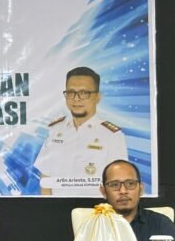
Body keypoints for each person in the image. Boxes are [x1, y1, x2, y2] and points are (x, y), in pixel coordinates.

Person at [36, 66, 128, 195]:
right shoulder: (55, 130)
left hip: (94, 207)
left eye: (84, 93)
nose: (76, 98)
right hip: (57, 206)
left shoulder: (112, 136)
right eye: (71, 92)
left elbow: (117, 185)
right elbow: (45, 178)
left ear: (98, 97)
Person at [100, 159, 175, 241]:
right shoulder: (95, 226)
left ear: (141, 189)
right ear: (103, 191)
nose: (123, 191)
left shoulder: (160, 223)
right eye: (115, 185)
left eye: (130, 184)